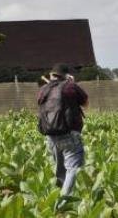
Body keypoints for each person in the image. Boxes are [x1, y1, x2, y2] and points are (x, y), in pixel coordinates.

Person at [37, 63, 88, 199]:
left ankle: (58, 196)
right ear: (66, 75)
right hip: (69, 134)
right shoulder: (70, 87)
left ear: (52, 75)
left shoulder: (43, 89)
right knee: (73, 168)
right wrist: (72, 83)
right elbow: (85, 102)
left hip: (50, 135)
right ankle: (63, 202)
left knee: (60, 170)